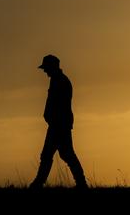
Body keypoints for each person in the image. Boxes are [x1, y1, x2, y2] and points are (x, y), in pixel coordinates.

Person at [29, 54, 88, 189]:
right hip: (58, 124)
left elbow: (60, 105)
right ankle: (81, 183)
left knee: (53, 154)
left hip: (59, 125)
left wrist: (53, 120)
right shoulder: (57, 80)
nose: (44, 71)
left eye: (46, 68)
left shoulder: (60, 81)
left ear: (52, 67)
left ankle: (38, 184)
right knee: (64, 154)